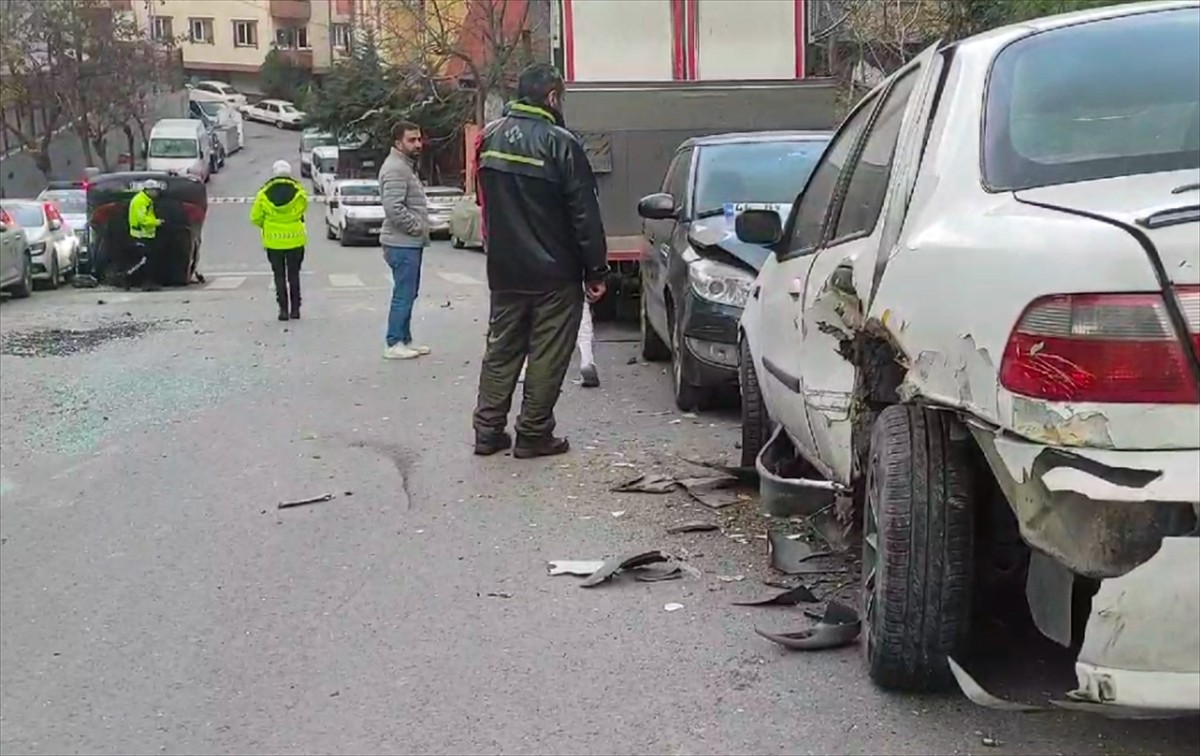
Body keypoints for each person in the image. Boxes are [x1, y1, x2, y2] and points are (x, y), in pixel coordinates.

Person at [472, 63, 609, 459]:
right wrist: (595, 270)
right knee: (548, 354)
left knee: (501, 351)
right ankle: (533, 433)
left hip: (504, 269)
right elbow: (584, 214)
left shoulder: (490, 138)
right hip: (554, 272)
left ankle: (487, 430)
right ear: (551, 97)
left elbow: (483, 203)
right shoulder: (561, 143)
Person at [379, 121, 430, 360]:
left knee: (409, 292)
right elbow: (393, 208)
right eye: (412, 140)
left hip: (407, 242)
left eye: (419, 139)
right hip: (401, 243)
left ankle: (405, 339)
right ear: (398, 143)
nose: (418, 144)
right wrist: (417, 227)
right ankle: (394, 341)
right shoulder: (396, 169)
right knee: (404, 293)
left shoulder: (405, 166)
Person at [250, 160, 308, 321]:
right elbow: (303, 209)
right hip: (295, 240)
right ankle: (296, 309)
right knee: (294, 275)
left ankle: (283, 310)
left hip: (273, 242)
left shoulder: (263, 194)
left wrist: (268, 225)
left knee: (279, 275)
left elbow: (254, 217)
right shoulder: (299, 192)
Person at [126, 179, 165, 291]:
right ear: (148, 190)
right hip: (141, 235)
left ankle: (146, 282)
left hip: (147, 234)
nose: (157, 193)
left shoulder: (146, 200)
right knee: (147, 260)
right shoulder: (141, 201)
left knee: (148, 260)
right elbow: (142, 219)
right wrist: (157, 222)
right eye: (155, 190)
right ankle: (136, 280)